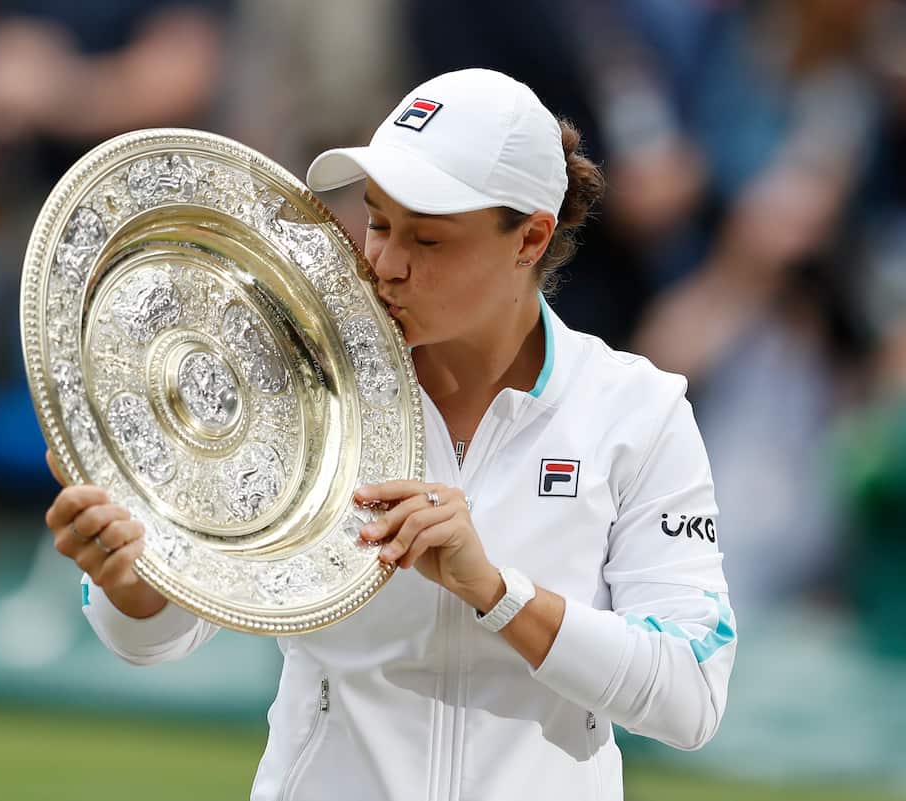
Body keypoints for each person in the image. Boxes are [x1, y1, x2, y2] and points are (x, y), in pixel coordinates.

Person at [43, 68, 736, 800]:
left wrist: (495, 591)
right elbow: (155, 637)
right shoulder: (298, 385)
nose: (385, 263)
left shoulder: (638, 411)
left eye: (428, 240)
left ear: (531, 237)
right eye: (377, 220)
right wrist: (131, 580)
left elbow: (690, 696)